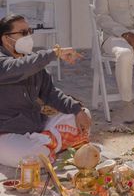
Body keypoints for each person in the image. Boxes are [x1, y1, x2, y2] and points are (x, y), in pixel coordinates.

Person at [0, 14, 91, 168]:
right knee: (33, 158)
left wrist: (76, 109)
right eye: (23, 33)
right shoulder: (6, 61)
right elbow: (18, 68)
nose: (28, 36)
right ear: (6, 39)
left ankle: (45, 143)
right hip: (6, 133)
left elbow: (50, 93)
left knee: (83, 115)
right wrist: (54, 53)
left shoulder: (32, 61)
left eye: (29, 32)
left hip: (37, 126)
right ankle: (48, 144)